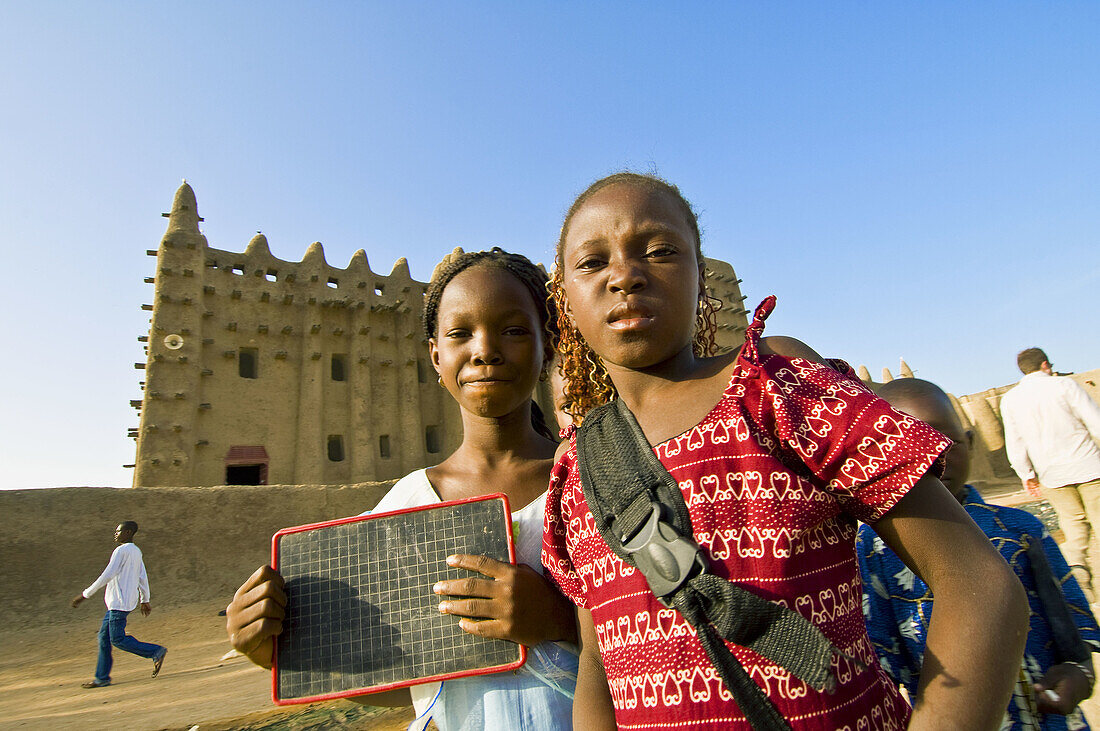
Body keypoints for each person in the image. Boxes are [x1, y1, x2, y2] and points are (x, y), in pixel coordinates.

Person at [541, 172, 1029, 730]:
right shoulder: (577, 469)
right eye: (591, 262)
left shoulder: (779, 392)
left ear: (704, 279)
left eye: (659, 250)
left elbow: (980, 586)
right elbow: (597, 676)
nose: (624, 275)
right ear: (565, 302)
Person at [226, 249, 578, 731]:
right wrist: (275, 651)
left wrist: (559, 620)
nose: (484, 350)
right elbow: (399, 676)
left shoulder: (586, 477)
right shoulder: (409, 504)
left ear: (548, 346)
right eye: (460, 333)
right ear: (436, 356)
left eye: (514, 330)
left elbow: (663, 633)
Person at [858, 378, 1099, 729]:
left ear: (970, 442)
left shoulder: (1021, 529)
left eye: (946, 441)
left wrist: (1079, 675)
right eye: (905, 442)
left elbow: (1072, 627)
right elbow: (878, 660)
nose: (932, 454)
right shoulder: (874, 549)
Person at [1001, 347, 1100, 601]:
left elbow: (1015, 441)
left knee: (1073, 527)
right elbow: (1094, 422)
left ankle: (1080, 582)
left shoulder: (1011, 400)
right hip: (1089, 467)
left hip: (1051, 475)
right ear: (1045, 364)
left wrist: (1026, 474)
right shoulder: (1064, 386)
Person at [71, 521, 167, 688]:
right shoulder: (136, 551)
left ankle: (155, 651)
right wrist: (145, 599)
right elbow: (142, 575)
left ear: (128, 532)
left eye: (119, 531)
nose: (115, 534)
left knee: (117, 639)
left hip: (118, 604)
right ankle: (102, 678)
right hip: (122, 603)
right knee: (103, 638)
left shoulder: (121, 551)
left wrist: (84, 595)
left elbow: (107, 575)